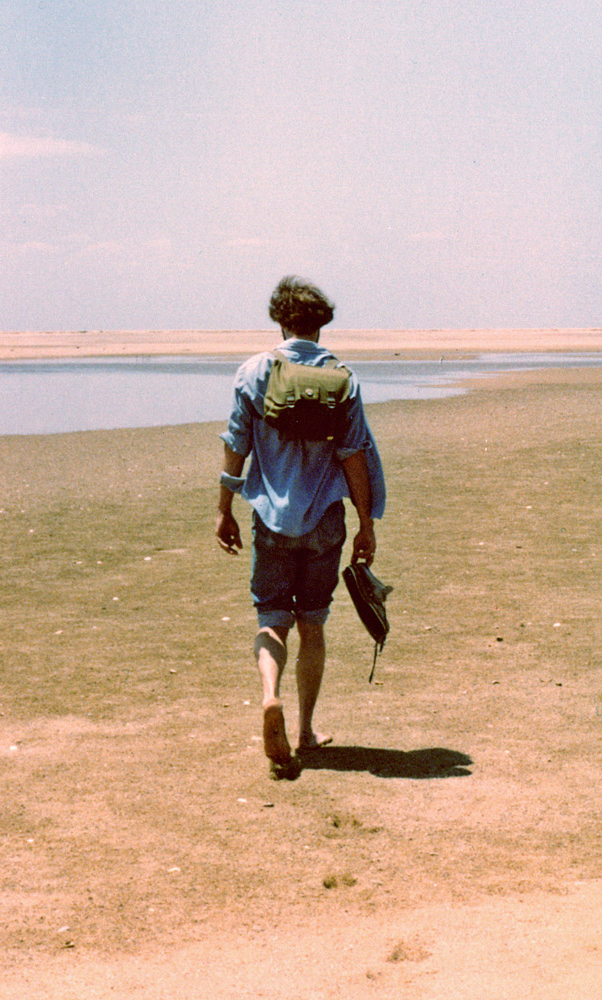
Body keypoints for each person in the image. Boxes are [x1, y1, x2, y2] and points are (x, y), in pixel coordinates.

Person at [215, 276, 385, 771]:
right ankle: (307, 730)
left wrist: (224, 507)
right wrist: (366, 522)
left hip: (270, 518)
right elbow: (355, 457)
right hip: (325, 523)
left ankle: (270, 695)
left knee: (272, 619)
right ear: (321, 322)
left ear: (280, 319)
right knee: (313, 624)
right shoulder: (344, 379)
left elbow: (235, 445)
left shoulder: (252, 372)